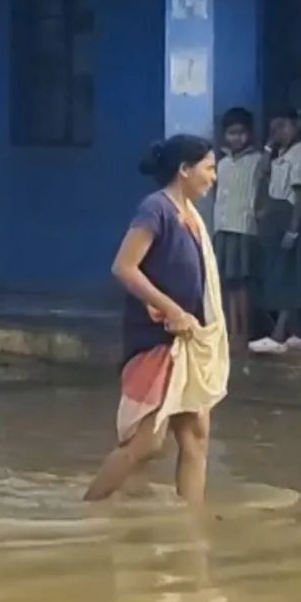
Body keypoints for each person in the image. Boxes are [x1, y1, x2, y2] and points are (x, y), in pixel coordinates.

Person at [85, 134, 230, 507]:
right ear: (184, 170)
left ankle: (192, 527)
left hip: (187, 342)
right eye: (209, 168)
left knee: (196, 436)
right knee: (146, 443)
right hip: (156, 340)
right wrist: (172, 309)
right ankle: (89, 509)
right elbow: (124, 267)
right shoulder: (156, 210)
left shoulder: (191, 217)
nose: (214, 177)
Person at [253, 108, 301, 354]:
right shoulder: (280, 154)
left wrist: (293, 229)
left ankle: (278, 336)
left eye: (283, 126)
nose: (278, 132)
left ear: (297, 125)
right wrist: (268, 144)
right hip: (277, 219)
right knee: (297, 278)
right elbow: (263, 171)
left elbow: (300, 195)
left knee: (290, 279)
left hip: (292, 219)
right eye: (274, 127)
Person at [211, 108, 267, 353]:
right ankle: (232, 330)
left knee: (243, 283)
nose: (237, 138)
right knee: (228, 283)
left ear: (250, 134)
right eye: (232, 133)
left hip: (244, 228)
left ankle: (245, 332)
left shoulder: (256, 162)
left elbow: (266, 175)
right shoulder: (221, 164)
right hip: (223, 227)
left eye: (241, 133)